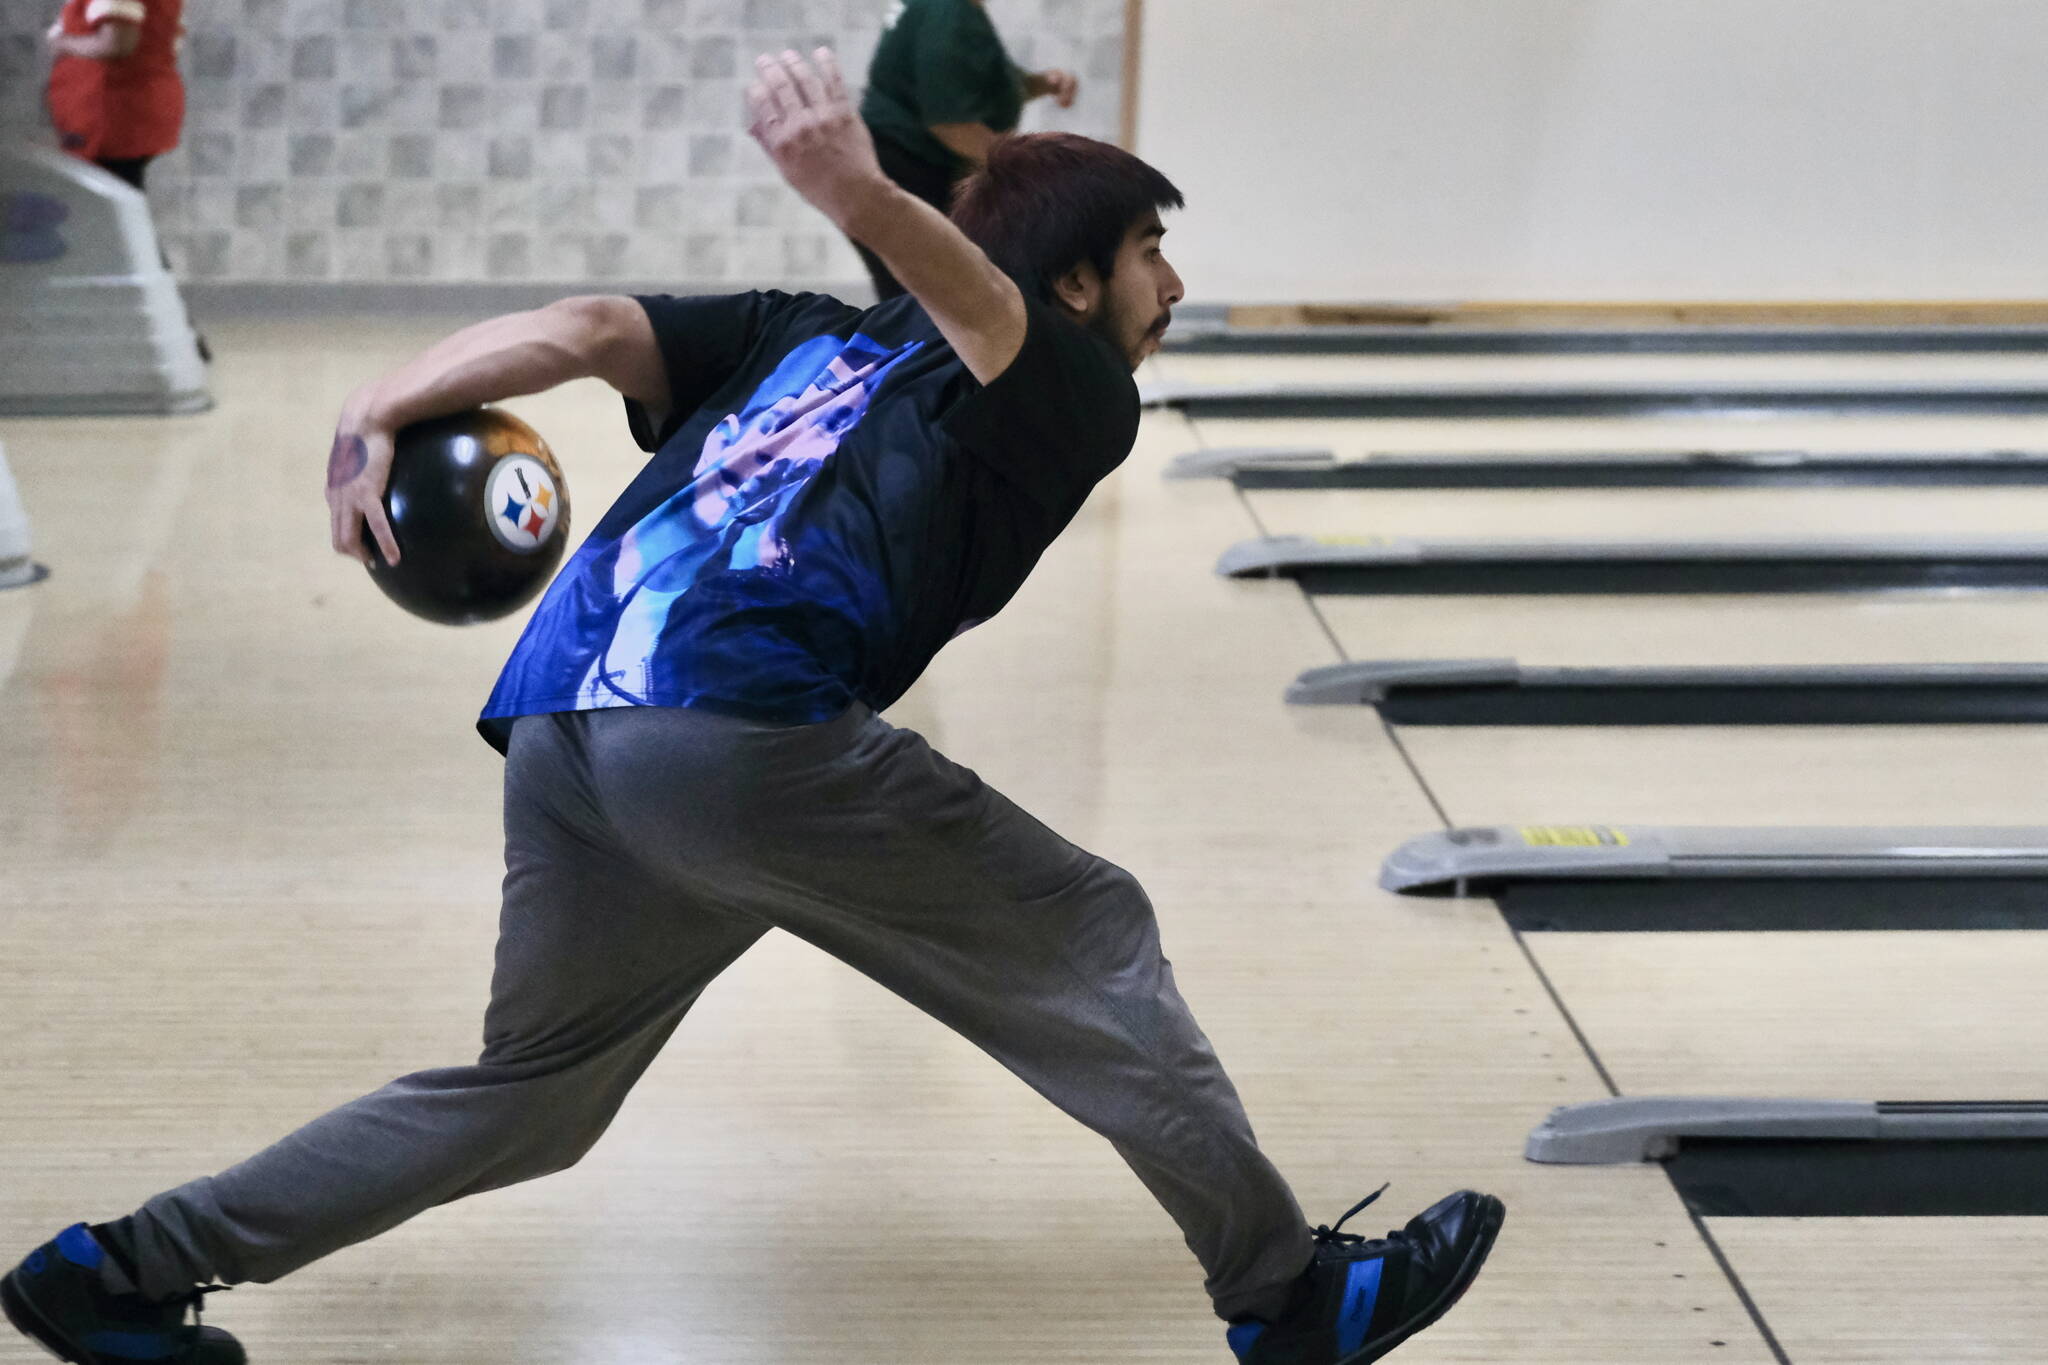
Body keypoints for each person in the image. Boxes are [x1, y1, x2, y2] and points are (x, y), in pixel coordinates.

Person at [1, 48, 1503, 1365]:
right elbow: (970, 316)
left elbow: (591, 327)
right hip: (739, 729)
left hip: (566, 722)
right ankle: (1292, 1297)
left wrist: (374, 404)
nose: (1173, 284)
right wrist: (859, 196)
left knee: (533, 1094)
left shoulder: (805, 336)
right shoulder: (1070, 386)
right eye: (1151, 252)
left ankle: (123, 1269)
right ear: (1070, 282)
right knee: (1092, 929)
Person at [854, 0, 1078, 300]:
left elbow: (974, 80)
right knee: (934, 299)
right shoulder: (949, 11)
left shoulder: (946, 10)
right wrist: (1026, 173)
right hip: (909, 167)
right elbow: (953, 123)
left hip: (901, 164)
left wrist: (1043, 83)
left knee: (931, 294)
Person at [43, 0, 186, 192]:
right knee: (120, 198)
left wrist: (63, 43)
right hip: (135, 108)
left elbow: (117, 42)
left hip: (112, 115)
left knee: (105, 205)